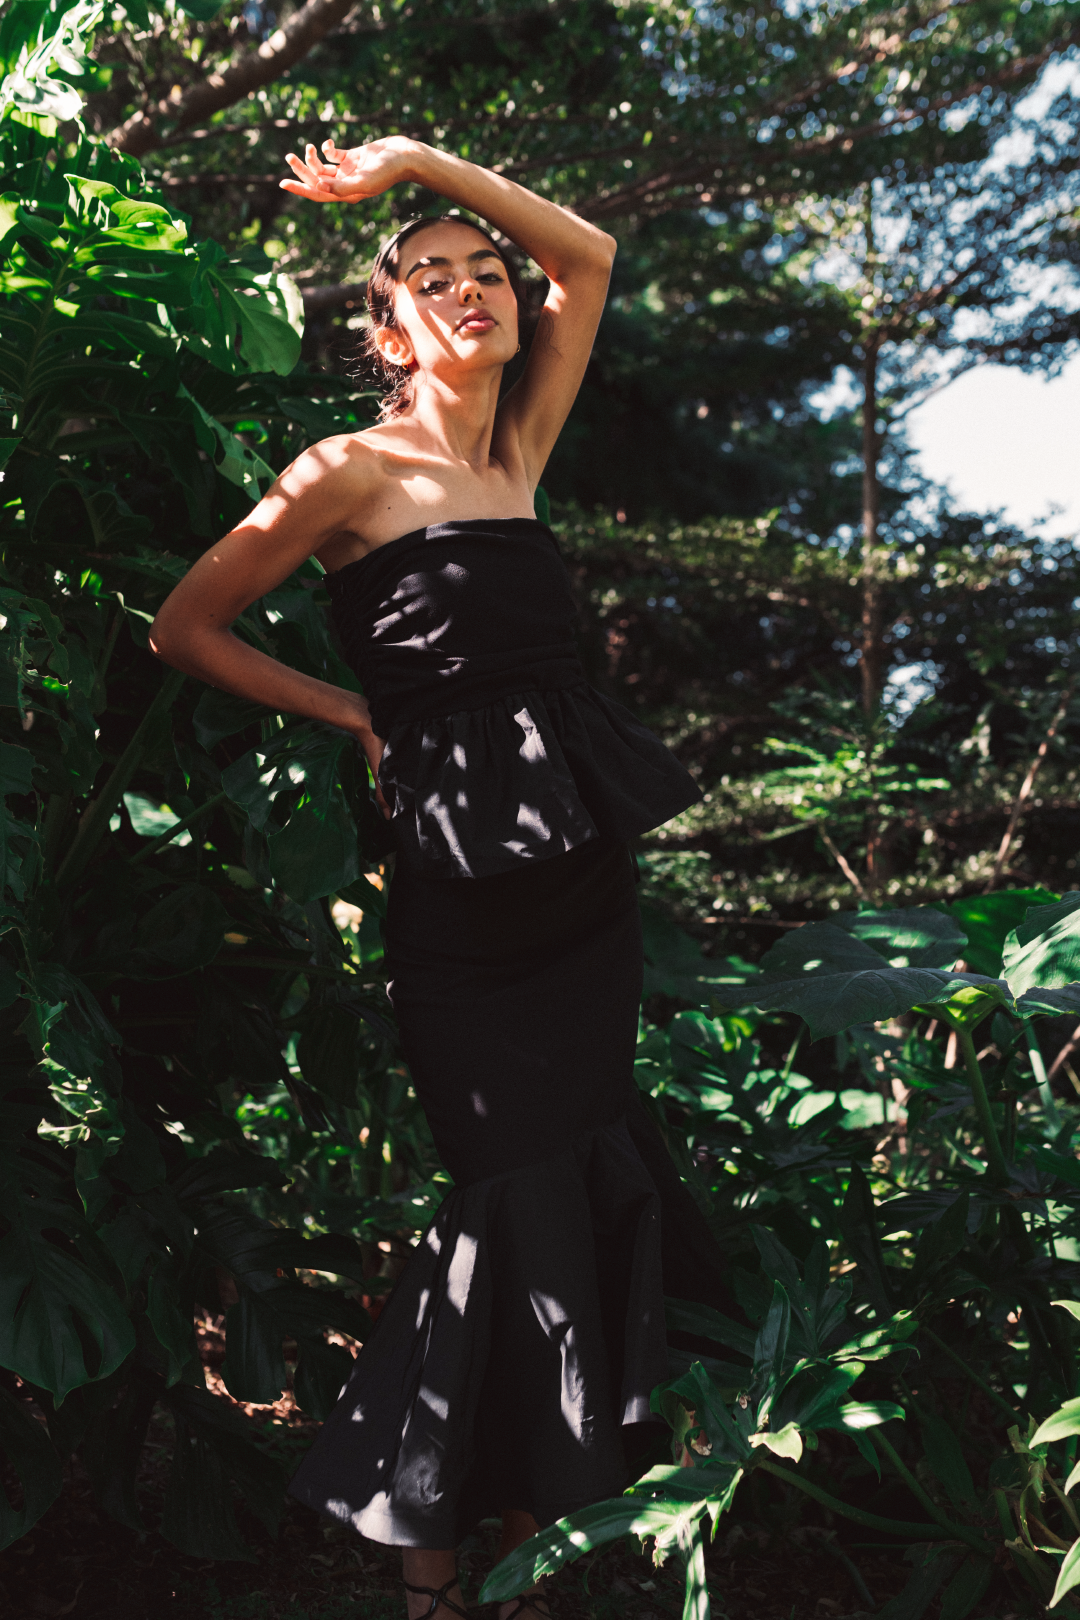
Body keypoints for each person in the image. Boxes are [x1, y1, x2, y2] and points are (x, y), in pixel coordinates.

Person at [149, 136, 731, 1620]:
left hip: (582, 890)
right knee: (502, 1190)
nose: (471, 290)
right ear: (390, 328)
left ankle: (528, 1543)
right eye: (430, 278)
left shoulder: (516, 455)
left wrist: (419, 162)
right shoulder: (347, 472)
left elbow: (588, 254)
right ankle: (427, 1565)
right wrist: (355, 712)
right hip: (463, 896)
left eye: (485, 274)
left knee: (581, 1171)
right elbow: (185, 628)